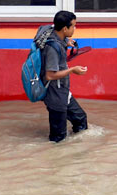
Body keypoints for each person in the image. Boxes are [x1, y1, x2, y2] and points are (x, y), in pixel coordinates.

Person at [35, 10, 90, 143]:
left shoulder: (55, 35)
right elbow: (50, 75)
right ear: (65, 28)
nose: (75, 28)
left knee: (80, 119)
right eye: (73, 26)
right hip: (55, 94)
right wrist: (72, 70)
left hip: (63, 91)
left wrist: (66, 41)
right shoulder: (52, 48)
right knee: (58, 138)